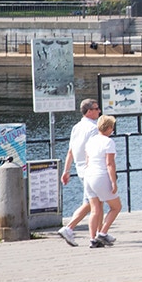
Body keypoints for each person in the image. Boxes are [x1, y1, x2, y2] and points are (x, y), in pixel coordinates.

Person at [57, 98, 101, 246]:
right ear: (89, 111)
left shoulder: (76, 127)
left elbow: (71, 151)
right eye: (96, 109)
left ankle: (99, 235)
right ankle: (70, 228)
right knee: (91, 203)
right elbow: (94, 150)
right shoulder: (94, 128)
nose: (99, 111)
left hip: (81, 169)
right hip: (92, 170)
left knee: (94, 202)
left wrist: (67, 170)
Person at [82, 115, 123, 247]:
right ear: (109, 127)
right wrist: (113, 182)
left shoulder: (91, 141)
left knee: (95, 209)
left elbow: (87, 161)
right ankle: (103, 233)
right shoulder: (108, 142)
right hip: (101, 176)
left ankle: (93, 239)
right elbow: (109, 163)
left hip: (88, 176)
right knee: (116, 207)